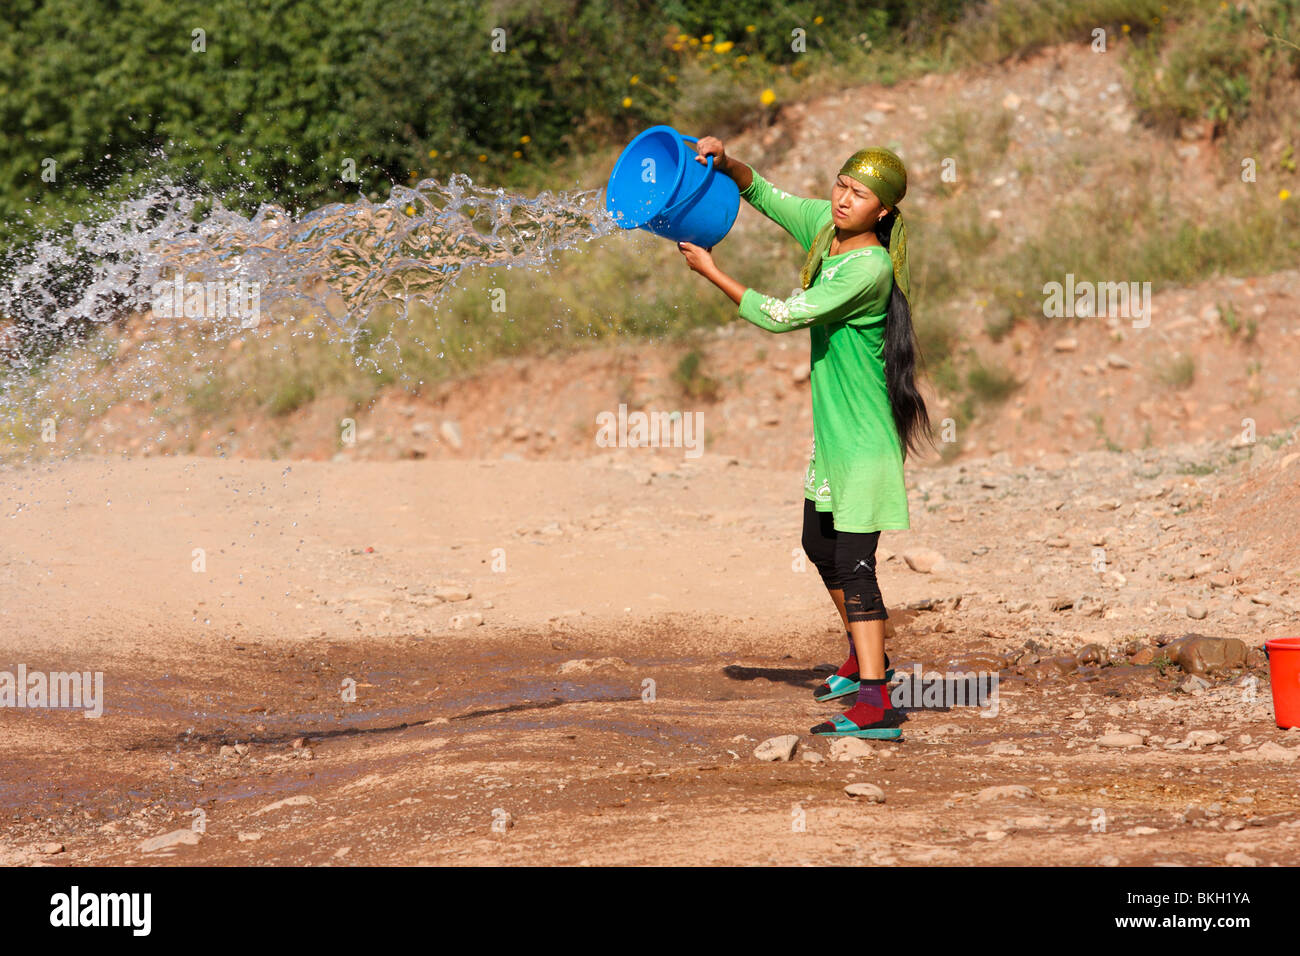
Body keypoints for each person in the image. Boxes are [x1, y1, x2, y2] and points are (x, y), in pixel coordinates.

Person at [677, 137, 935, 739]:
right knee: (818, 545)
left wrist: (712, 271)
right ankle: (862, 658)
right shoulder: (827, 227)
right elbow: (762, 193)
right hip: (836, 438)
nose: (843, 199)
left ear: (885, 212)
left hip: (865, 440)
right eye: (841, 184)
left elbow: (783, 315)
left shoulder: (868, 267)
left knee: (856, 563)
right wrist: (724, 160)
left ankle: (877, 705)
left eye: (859, 194)